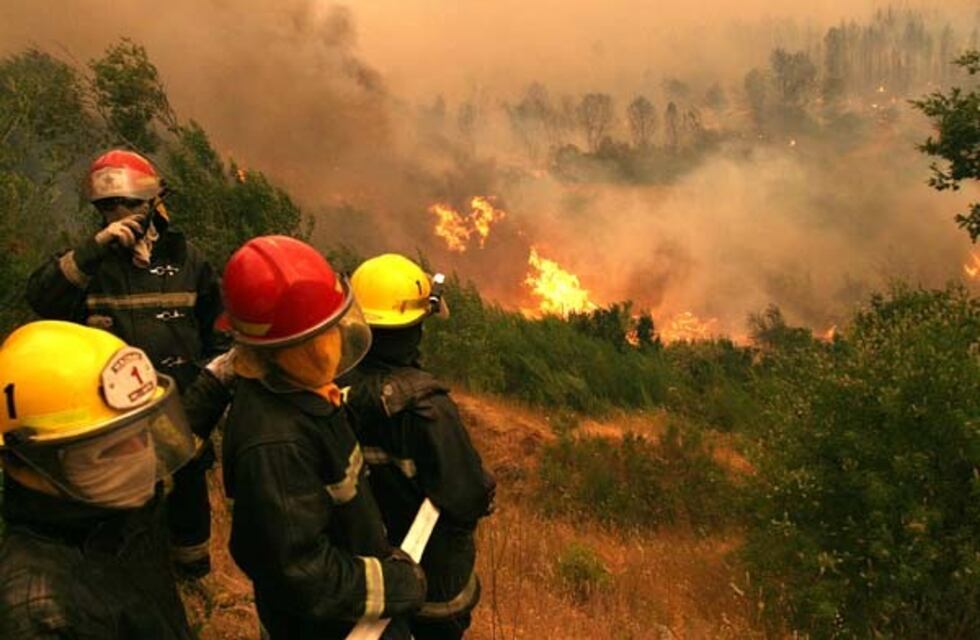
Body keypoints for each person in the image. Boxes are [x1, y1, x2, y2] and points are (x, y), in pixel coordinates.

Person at [25, 149, 224, 578]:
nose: (120, 213)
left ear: (153, 201)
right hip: (114, 420)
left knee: (187, 504)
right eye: (108, 206)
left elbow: (220, 335)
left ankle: (195, 583)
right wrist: (93, 250)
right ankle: (133, 584)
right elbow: (42, 297)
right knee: (125, 512)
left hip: (182, 410)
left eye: (130, 203)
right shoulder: (89, 265)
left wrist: (204, 401)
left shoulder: (189, 261)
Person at [218, 236, 426, 639]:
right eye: (321, 334)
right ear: (287, 347)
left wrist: (380, 553)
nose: (333, 342)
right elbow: (301, 575)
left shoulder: (305, 391)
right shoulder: (274, 445)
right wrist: (394, 584)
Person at [0, 320, 201, 638]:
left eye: (143, 433)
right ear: (30, 461)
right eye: (113, 447)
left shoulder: (118, 515)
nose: (142, 457)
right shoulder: (39, 614)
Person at [341, 254, 496, 639]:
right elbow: (468, 496)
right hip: (432, 582)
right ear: (415, 328)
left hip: (363, 570)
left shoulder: (332, 390)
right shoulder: (427, 409)